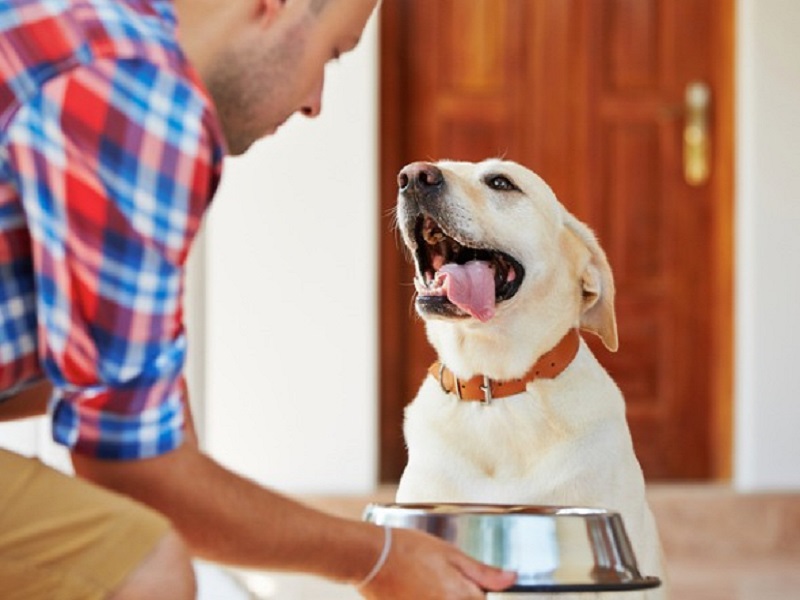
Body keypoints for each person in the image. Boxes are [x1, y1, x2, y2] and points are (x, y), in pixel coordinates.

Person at [0, 0, 518, 598]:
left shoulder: (87, 24)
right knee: (143, 566)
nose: (315, 101)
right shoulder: (140, 91)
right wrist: (376, 558)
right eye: (331, 53)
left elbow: (107, 396)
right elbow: (132, 471)